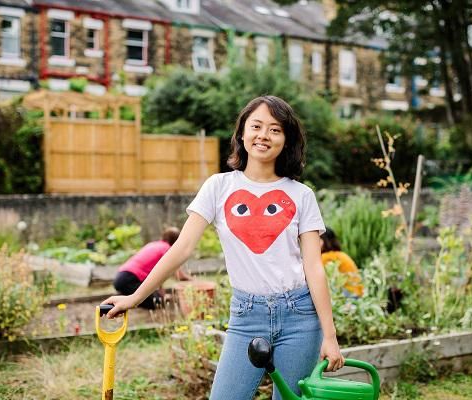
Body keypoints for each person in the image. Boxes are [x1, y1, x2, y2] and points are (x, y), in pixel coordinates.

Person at [102, 96, 344, 399]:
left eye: (275, 129)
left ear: (287, 140)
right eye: (256, 126)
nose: (263, 135)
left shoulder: (301, 195)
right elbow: (182, 248)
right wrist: (136, 297)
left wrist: (330, 337)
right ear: (242, 133)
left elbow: (313, 267)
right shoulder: (219, 187)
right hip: (247, 315)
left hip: (300, 316)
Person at [112, 226, 192, 309]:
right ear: (176, 241)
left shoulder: (153, 244)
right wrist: (193, 280)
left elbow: (160, 275)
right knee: (157, 302)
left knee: (158, 298)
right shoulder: (167, 250)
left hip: (120, 277)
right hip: (129, 279)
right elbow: (180, 275)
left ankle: (124, 294)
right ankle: (123, 296)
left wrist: (162, 294)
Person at [320, 227, 364, 298]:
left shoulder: (327, 257)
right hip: (357, 292)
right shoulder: (340, 254)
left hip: (349, 294)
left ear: (324, 241)